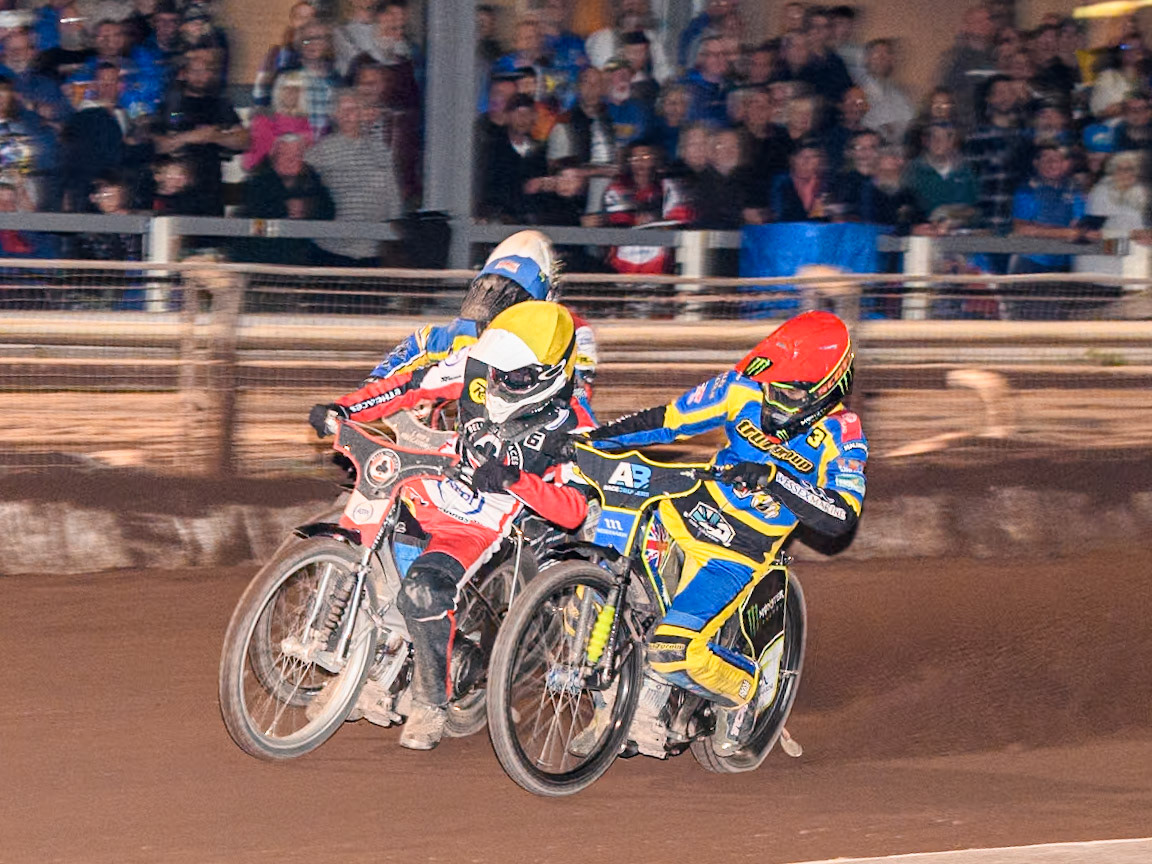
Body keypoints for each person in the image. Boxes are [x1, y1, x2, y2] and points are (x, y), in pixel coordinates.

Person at [309, 301, 592, 750]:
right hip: (426, 481)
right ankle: (361, 666)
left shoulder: (572, 426)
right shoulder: (478, 365)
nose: (496, 381)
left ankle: (429, 702)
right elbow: (409, 386)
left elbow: (574, 508)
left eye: (512, 376)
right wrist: (344, 410)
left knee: (422, 592)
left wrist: (514, 480)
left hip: (474, 523)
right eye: (494, 368)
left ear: (547, 373)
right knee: (369, 549)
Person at [580, 310, 866, 753]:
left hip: (738, 552)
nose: (770, 400)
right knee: (594, 543)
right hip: (680, 510)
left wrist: (774, 477)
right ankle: (614, 698)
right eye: (769, 388)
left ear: (824, 392)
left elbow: (842, 516)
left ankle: (745, 693)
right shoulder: (742, 386)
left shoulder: (841, 433)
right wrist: (591, 442)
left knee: (670, 651)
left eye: (785, 394)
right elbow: (668, 420)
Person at [364, 229, 599, 427]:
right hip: (470, 443)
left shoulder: (572, 330)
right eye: (492, 290)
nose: (495, 300)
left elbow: (581, 392)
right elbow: (419, 344)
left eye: (508, 293)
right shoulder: (467, 329)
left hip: (538, 438)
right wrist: (376, 385)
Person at [305, 89, 401, 266]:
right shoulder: (321, 152)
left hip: (373, 248)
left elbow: (392, 191)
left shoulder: (379, 150)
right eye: (344, 110)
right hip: (334, 249)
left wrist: (394, 229)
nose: (349, 116)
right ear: (334, 115)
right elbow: (306, 188)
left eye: (354, 110)